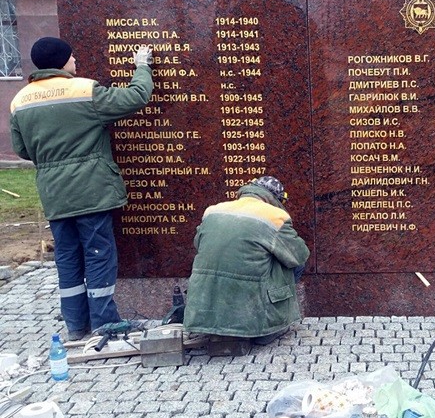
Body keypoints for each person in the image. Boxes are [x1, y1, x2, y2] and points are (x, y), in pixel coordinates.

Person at [9, 37, 155, 341]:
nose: (75, 60)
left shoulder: (20, 101)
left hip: (54, 194)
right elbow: (137, 97)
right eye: (72, 56)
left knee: (67, 257)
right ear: (62, 61)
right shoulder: (84, 90)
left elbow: (22, 150)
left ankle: (76, 325)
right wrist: (142, 66)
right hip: (91, 191)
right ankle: (104, 322)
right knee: (99, 253)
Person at [184, 176, 310, 345]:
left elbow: (198, 243)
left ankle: (213, 324)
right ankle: (269, 323)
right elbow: (299, 255)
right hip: (252, 312)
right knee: (294, 264)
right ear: (276, 199)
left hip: (203, 306)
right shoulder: (274, 216)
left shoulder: (213, 210)